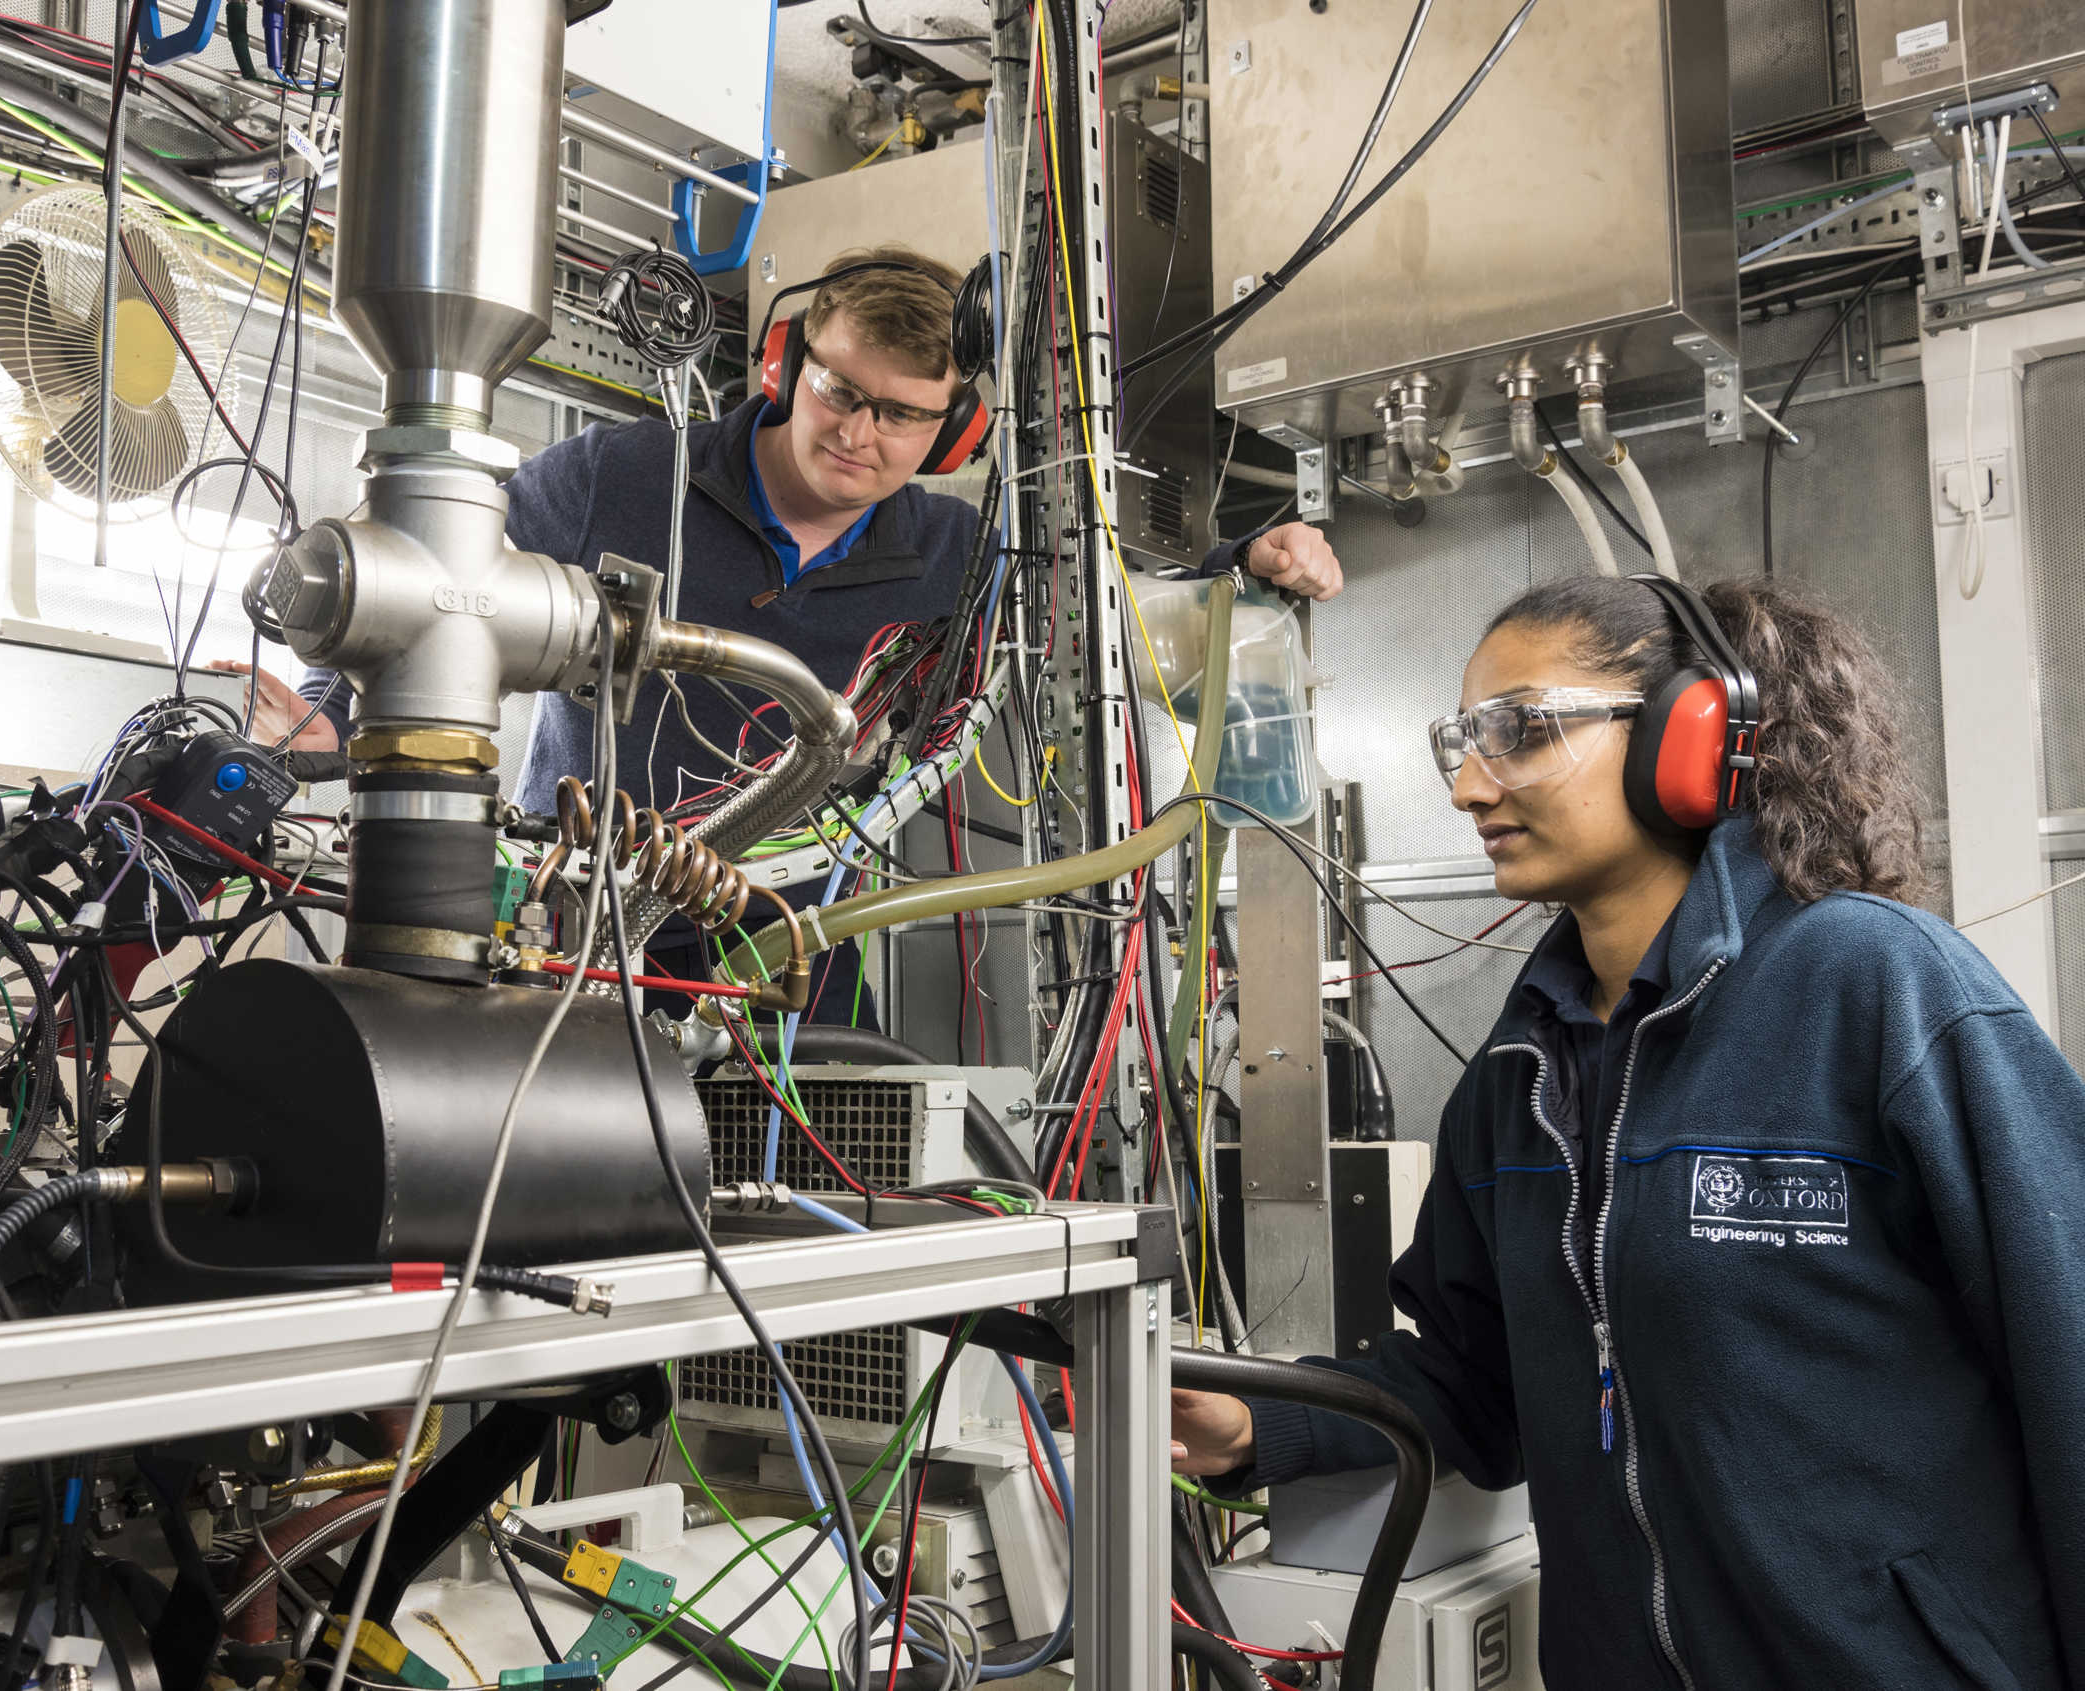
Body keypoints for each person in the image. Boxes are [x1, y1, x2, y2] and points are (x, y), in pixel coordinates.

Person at [1172, 573, 2085, 1690]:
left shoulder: (1875, 991)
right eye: (1459, 740)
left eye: (1519, 730)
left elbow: (2069, 1358)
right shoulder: (1518, 1073)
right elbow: (1471, 1384)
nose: (1467, 784)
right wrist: (1256, 1423)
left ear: (1692, 733)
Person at [235, 243, 1346, 1019]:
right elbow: (431, 581)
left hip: (787, 952)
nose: (860, 432)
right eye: (838, 390)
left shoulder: (957, 560)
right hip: (573, 926)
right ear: (785, 369)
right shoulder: (624, 476)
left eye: (902, 414)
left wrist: (1236, 567)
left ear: (949, 434)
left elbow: (1101, 619)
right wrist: (327, 728)